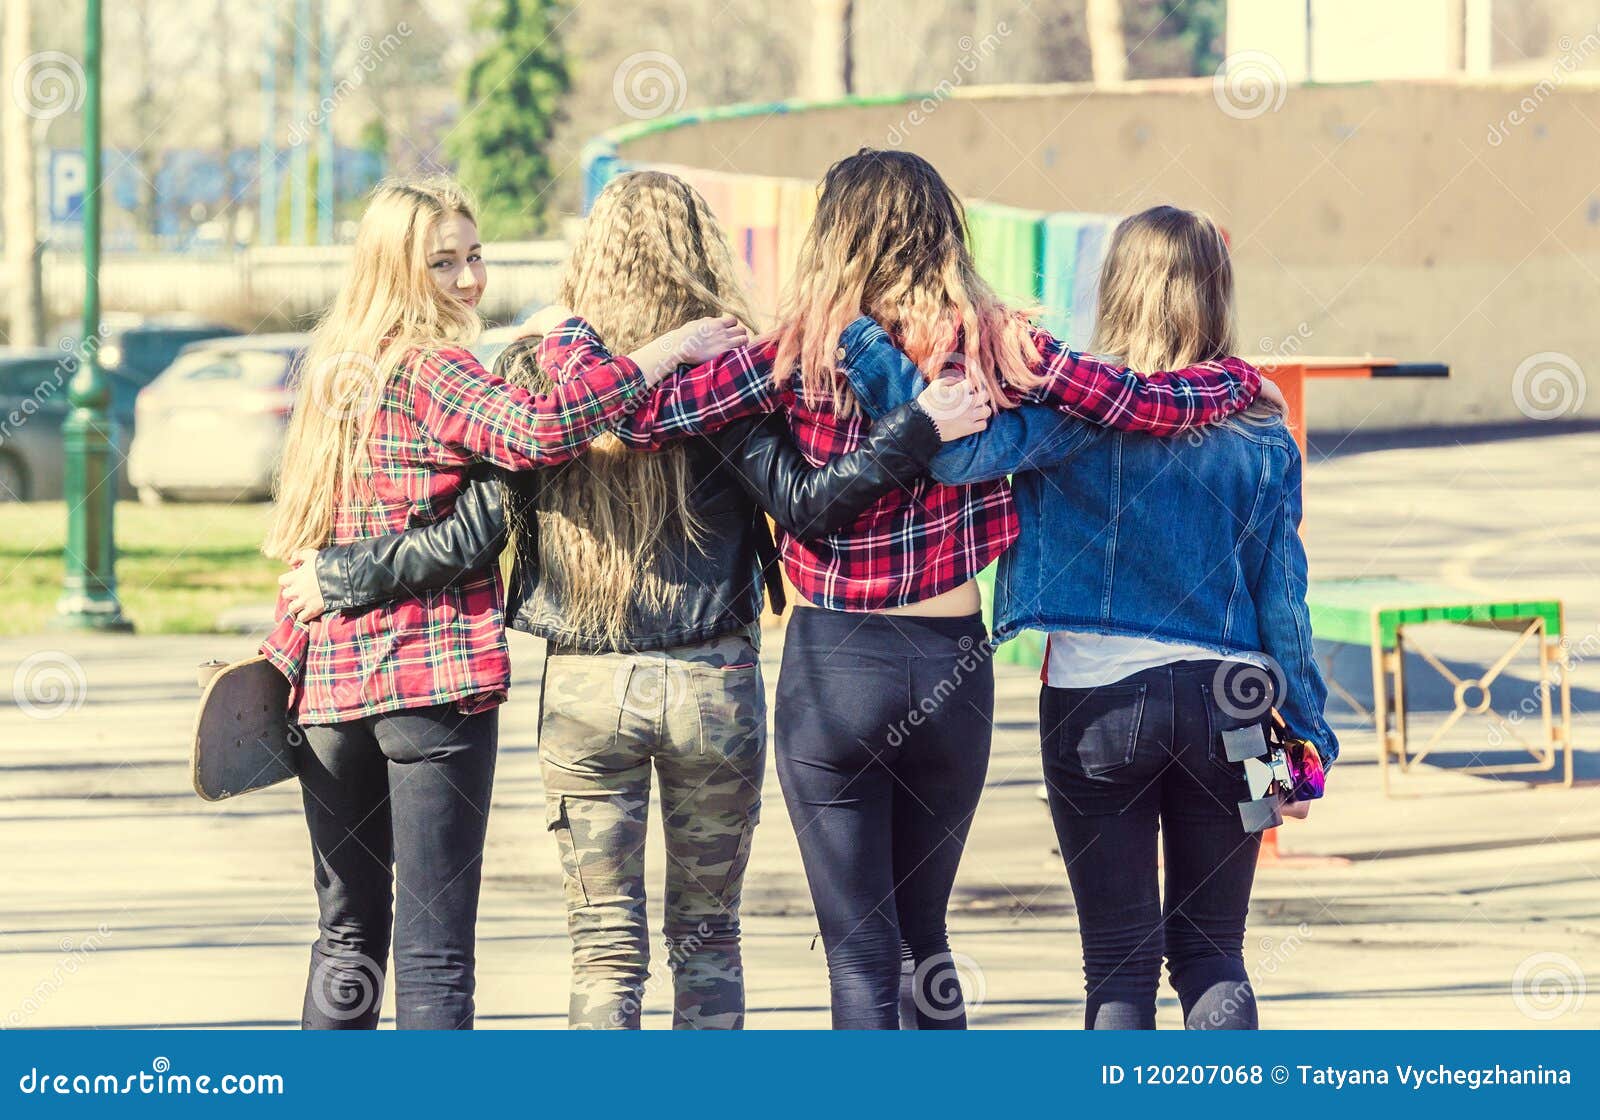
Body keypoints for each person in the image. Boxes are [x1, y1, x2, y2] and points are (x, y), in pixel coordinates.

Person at [534, 151, 1268, 1028]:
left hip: (835, 668)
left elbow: (629, 414)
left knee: (861, 957)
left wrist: (573, 331)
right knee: (926, 942)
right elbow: (1136, 400)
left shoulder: (790, 354)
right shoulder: (998, 346)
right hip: (951, 668)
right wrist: (1236, 381)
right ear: (945, 236)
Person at [273, 170, 990, 1029]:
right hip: (713, 679)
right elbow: (802, 499)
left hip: (584, 686)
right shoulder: (734, 368)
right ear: (703, 250)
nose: (468, 277)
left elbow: (488, 514)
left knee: (604, 948)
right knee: (709, 938)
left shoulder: (543, 372)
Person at [259, 177, 746, 1030]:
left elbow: (309, 529)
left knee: (346, 936)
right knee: (435, 953)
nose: (467, 280)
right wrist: (658, 354)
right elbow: (539, 433)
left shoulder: (332, 374)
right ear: (395, 270)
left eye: (473, 256)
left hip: (330, 692)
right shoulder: (434, 368)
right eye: (441, 263)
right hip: (428, 686)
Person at [838, 204, 1336, 1030]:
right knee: (1215, 950)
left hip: (1099, 707)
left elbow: (953, 453)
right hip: (1237, 711)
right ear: (1218, 298)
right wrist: (1309, 744)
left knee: (1118, 961)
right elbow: (1284, 600)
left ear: (1114, 289)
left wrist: (870, 351)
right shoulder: (1259, 422)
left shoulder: (1069, 412)